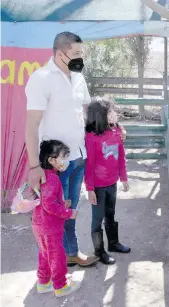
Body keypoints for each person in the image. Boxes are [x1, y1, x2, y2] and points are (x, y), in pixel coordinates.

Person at [25, 32, 100, 267]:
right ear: (60, 54)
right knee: (51, 216)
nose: (81, 58)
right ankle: (49, 268)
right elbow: (31, 125)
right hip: (55, 164)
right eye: (76, 54)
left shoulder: (78, 77)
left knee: (70, 211)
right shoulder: (41, 78)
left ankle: (71, 252)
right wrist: (34, 166)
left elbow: (85, 110)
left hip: (78, 158)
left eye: (82, 53)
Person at [32, 140, 81, 297]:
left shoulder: (44, 175)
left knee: (45, 253)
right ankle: (60, 286)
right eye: (63, 157)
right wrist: (68, 213)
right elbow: (49, 206)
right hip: (50, 227)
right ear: (52, 160)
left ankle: (43, 282)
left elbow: (47, 200)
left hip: (39, 224)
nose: (66, 161)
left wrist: (62, 203)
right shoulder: (52, 178)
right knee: (57, 256)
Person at [85, 98, 131, 265]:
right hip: (97, 186)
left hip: (112, 183)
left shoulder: (116, 132)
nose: (115, 114)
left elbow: (121, 157)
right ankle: (99, 251)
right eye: (110, 112)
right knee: (97, 219)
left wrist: (123, 177)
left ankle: (113, 243)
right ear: (100, 116)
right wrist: (89, 188)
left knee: (110, 214)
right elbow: (88, 165)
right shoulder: (91, 138)